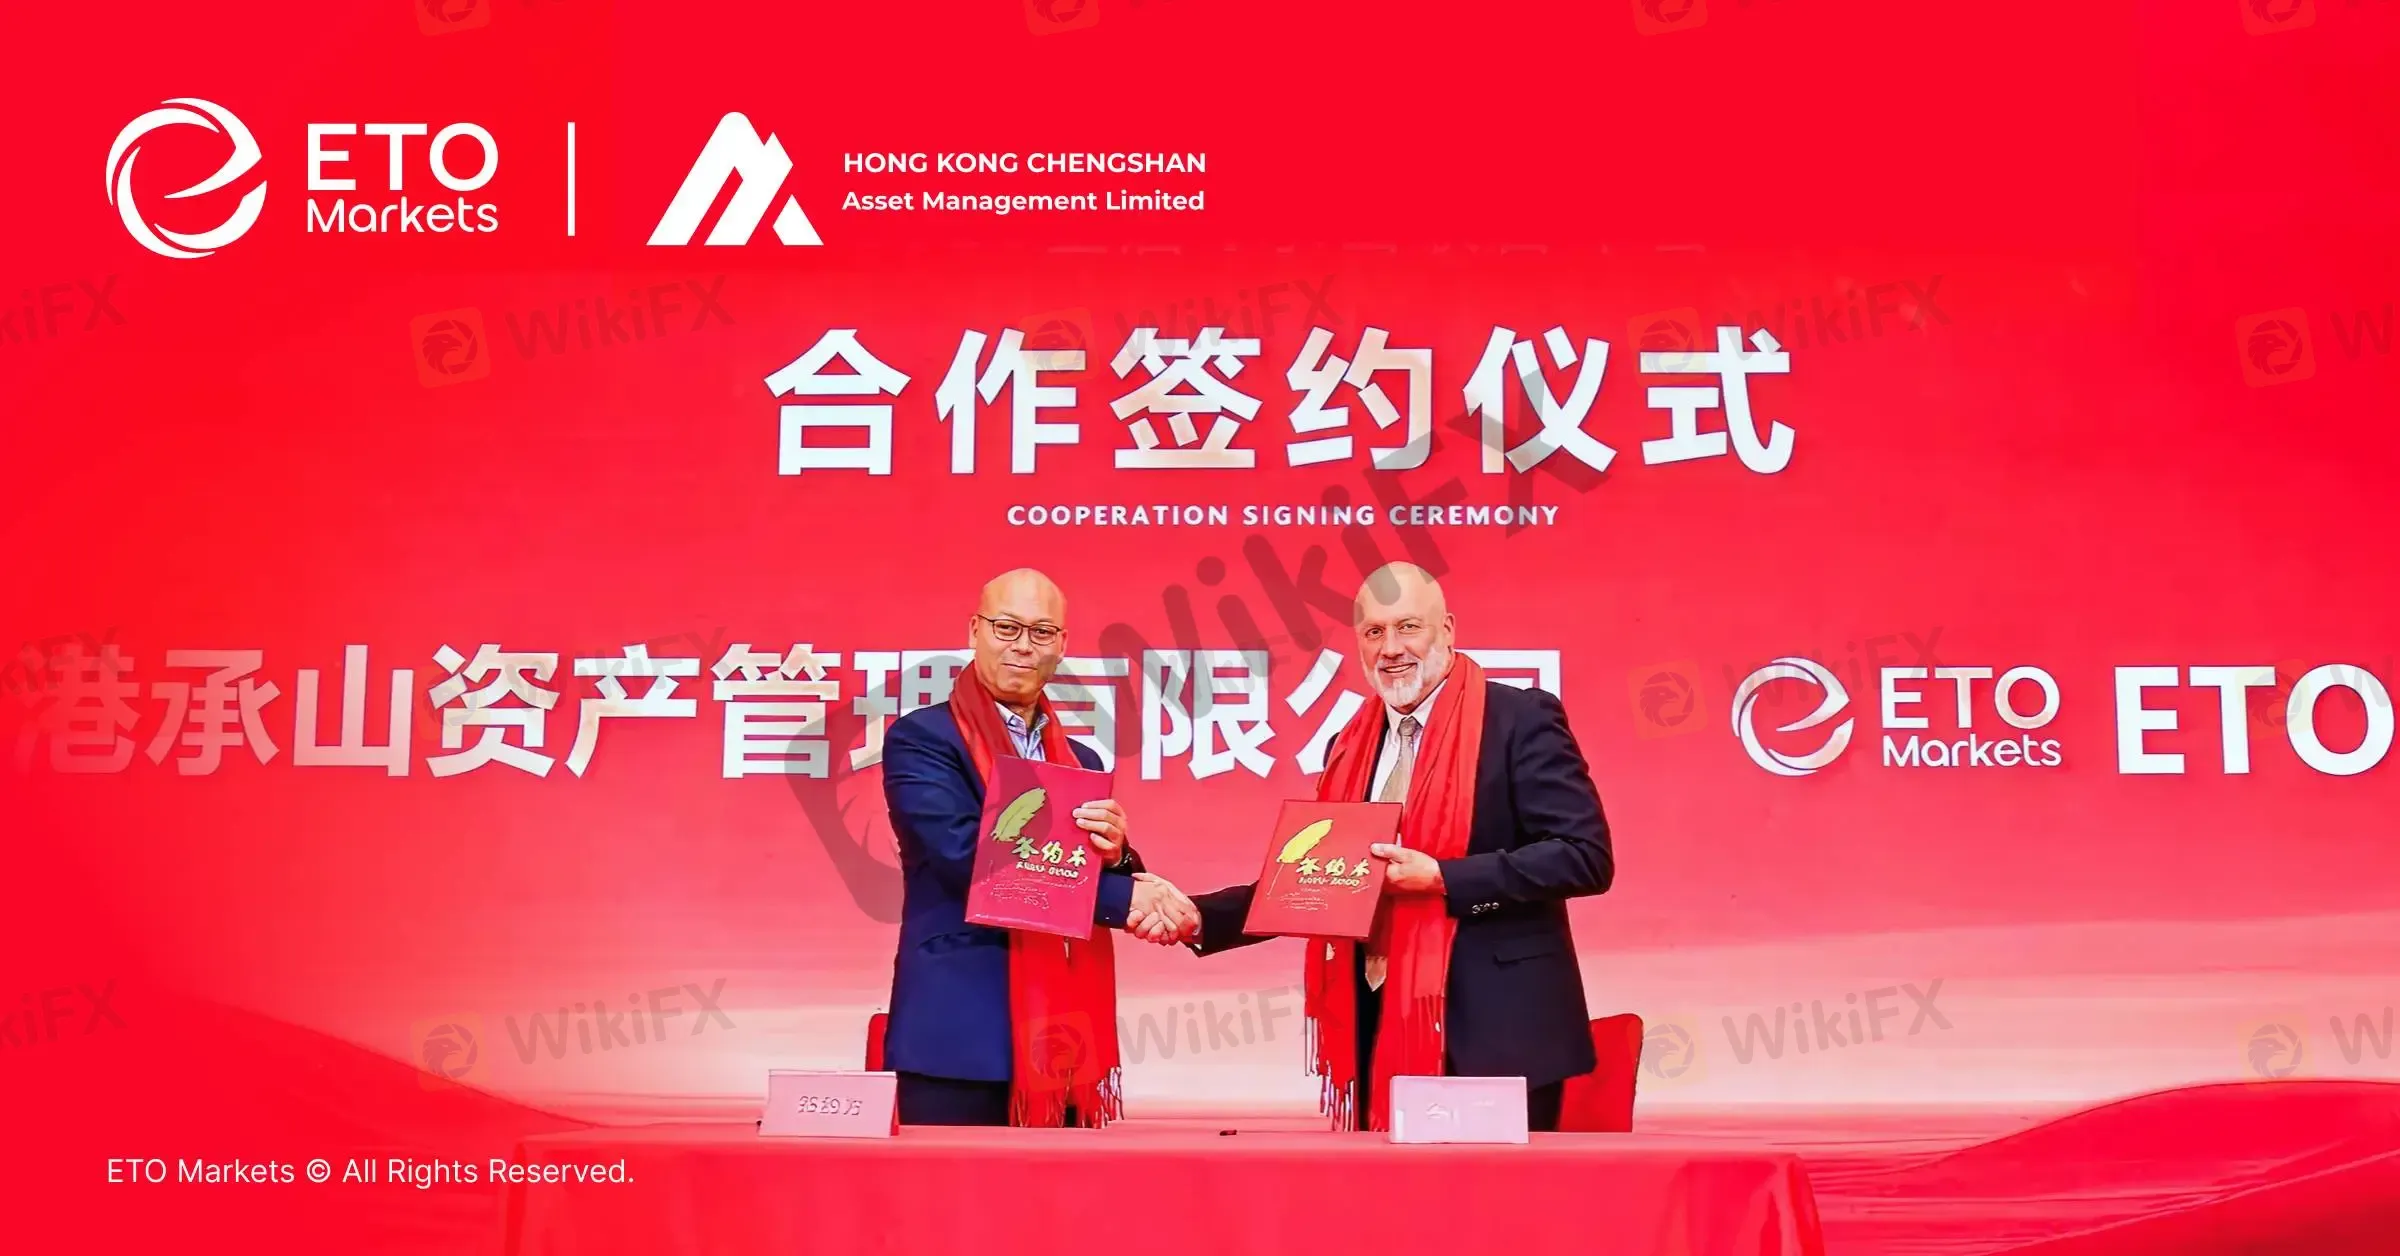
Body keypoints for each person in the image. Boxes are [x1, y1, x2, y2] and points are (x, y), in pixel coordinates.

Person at [1165, 562, 1614, 1131]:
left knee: (1493, 1193)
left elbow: (1584, 856)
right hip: (1375, 1018)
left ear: (1446, 629)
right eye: (1374, 632)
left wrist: (1445, 879)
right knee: (1385, 1191)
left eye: (1408, 627)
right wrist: (1201, 917)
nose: (1391, 648)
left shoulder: (1519, 719)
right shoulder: (1348, 743)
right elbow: (1318, 879)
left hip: (1498, 1029)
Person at [881, 568, 1197, 1127]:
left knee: (1061, 1188)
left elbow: (1082, 869)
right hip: (957, 1032)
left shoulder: (1080, 759)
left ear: (1062, 643)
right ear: (975, 630)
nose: (1023, 646)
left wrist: (1119, 855)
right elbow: (966, 860)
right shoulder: (924, 739)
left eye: (1042, 632)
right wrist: (1124, 901)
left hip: (1059, 1038)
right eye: (1007, 627)